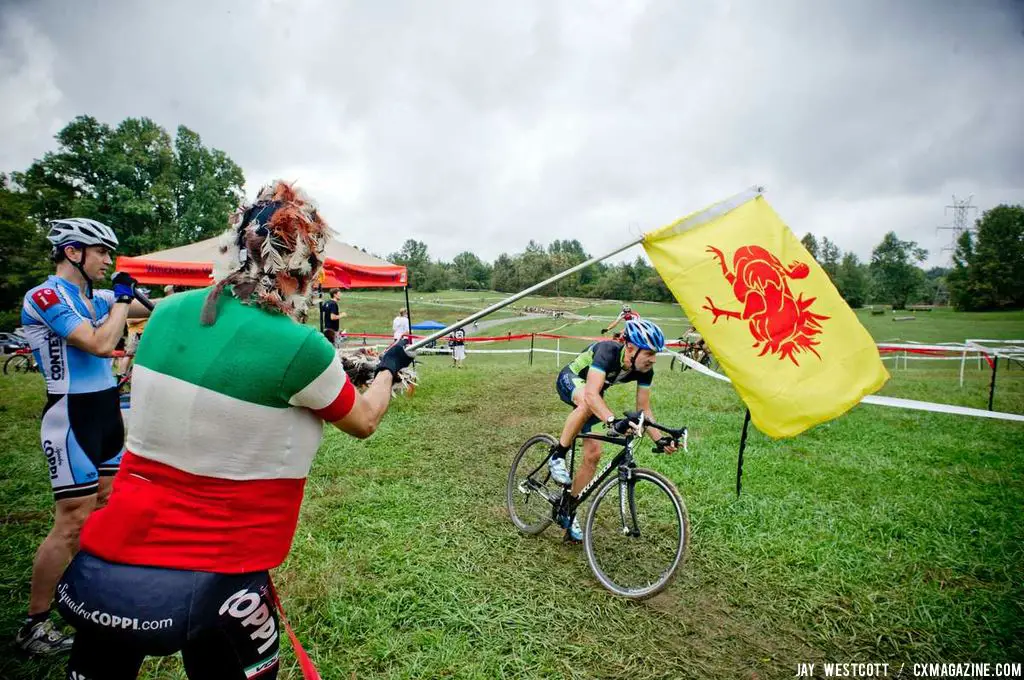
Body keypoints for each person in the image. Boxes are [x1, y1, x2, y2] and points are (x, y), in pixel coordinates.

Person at [53, 181, 414, 679]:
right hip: (222, 564)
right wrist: (390, 368)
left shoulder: (168, 313)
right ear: (305, 266)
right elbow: (365, 419)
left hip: (119, 540)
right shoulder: (302, 347)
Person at [16, 218, 151, 655]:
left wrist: (225, 287)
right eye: (102, 252)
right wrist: (121, 302)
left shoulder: (100, 297)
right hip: (69, 413)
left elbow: (160, 309)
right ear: (74, 251)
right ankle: (34, 624)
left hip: (106, 410)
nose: (110, 261)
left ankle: (88, 596)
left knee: (103, 507)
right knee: (72, 520)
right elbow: (97, 342)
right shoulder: (46, 295)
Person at [547, 319, 677, 541]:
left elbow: (644, 409)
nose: (653, 359)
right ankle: (557, 455)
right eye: (649, 353)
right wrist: (611, 420)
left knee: (593, 456)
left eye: (656, 354)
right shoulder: (607, 351)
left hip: (592, 394)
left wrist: (659, 439)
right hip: (572, 379)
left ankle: (567, 508)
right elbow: (590, 394)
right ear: (631, 348)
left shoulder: (645, 370)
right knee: (588, 404)